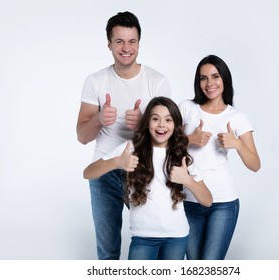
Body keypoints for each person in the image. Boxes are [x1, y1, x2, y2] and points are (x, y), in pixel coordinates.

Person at [76, 11, 171, 260]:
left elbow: (169, 136)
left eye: (132, 41)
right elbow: (82, 137)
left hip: (143, 169)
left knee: (154, 238)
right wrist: (98, 118)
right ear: (109, 44)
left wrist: (144, 124)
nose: (126, 48)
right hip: (104, 170)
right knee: (107, 252)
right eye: (119, 41)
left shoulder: (157, 82)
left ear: (139, 43)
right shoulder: (95, 81)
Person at [83, 97, 212, 260]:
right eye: (155, 119)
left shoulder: (181, 156)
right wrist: (117, 162)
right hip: (143, 238)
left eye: (168, 120)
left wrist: (187, 180)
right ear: (147, 123)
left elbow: (207, 200)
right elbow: (88, 173)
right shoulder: (131, 148)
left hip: (176, 237)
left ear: (176, 125)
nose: (161, 125)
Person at [179, 55, 260, 260]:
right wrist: (190, 139)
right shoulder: (186, 108)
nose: (209, 83)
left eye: (215, 76)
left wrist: (237, 144)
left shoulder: (236, 117)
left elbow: (255, 164)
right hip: (189, 200)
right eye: (203, 78)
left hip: (223, 203)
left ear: (224, 79)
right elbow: (163, 146)